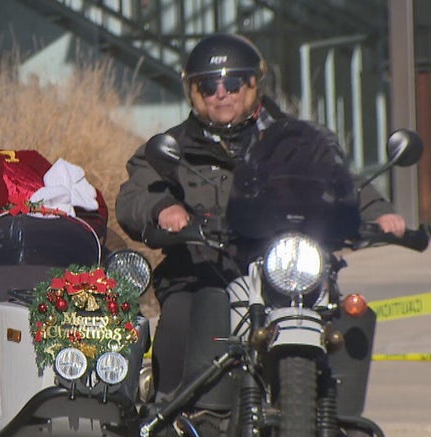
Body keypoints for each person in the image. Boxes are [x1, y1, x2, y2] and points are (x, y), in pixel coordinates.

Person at [116, 33, 407, 397]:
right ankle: (171, 408)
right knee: (183, 313)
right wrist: (162, 209)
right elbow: (136, 192)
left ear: (254, 85)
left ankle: (332, 411)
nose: (221, 93)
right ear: (193, 93)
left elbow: (339, 181)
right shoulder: (173, 148)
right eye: (208, 86)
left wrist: (378, 213)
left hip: (285, 269)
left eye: (233, 83)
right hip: (203, 271)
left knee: (341, 312)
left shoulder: (295, 141)